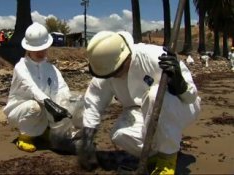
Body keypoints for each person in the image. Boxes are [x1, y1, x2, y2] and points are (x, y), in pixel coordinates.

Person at [77, 31, 201, 174]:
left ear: (126, 56)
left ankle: (167, 160)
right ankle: (157, 153)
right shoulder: (107, 69)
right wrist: (87, 137)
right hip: (142, 112)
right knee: (120, 134)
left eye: (117, 71)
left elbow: (191, 98)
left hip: (179, 107)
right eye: (110, 74)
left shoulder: (156, 57)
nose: (115, 76)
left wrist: (178, 83)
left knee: (155, 95)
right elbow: (94, 100)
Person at [3, 22, 83, 154]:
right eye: (36, 49)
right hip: (21, 110)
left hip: (45, 110)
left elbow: (62, 89)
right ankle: (25, 136)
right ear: (28, 48)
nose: (41, 52)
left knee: (67, 104)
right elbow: (31, 87)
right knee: (34, 106)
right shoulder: (21, 67)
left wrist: (69, 106)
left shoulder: (51, 68)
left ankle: (46, 131)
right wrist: (49, 103)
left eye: (43, 48)